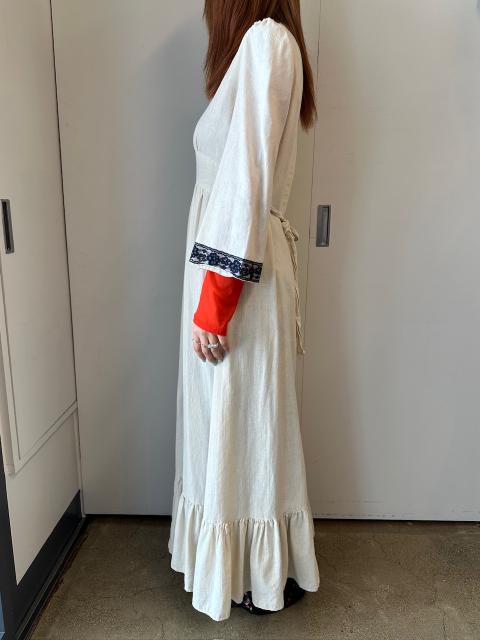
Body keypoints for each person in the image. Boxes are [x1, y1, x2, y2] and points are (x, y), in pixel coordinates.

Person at [168, 0, 320, 621]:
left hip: (237, 281)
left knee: (243, 421)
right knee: (237, 423)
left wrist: (216, 302)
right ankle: (246, 570)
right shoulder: (268, 45)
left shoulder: (265, 42)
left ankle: (256, 576)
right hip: (232, 268)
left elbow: (246, 183)